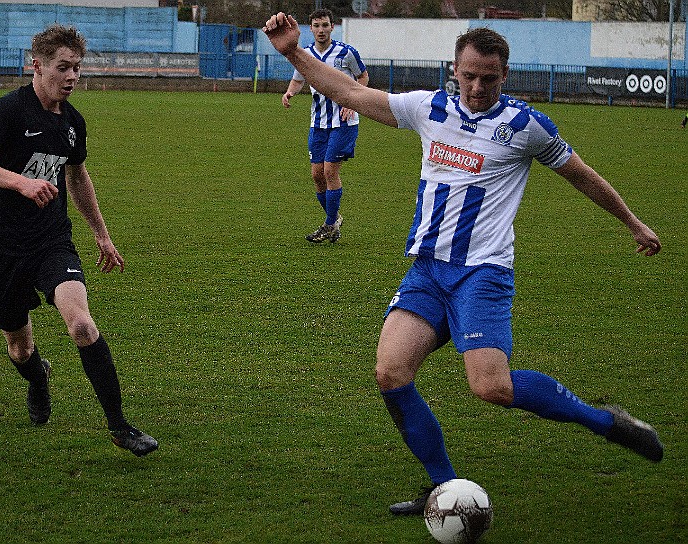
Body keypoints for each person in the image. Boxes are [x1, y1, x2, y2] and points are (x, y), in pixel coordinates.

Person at [264, 14, 664, 514]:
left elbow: (581, 175)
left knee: (491, 387)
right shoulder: (429, 107)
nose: (477, 87)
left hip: (483, 275)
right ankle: (444, 490)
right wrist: (292, 54)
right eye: (469, 75)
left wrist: (632, 222)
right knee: (391, 373)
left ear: (505, 75)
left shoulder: (526, 126)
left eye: (489, 78)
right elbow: (349, 94)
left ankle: (609, 423)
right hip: (429, 270)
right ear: (454, 69)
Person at [0, 24, 158, 457]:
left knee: (82, 324)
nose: (71, 77)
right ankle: (38, 378)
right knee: (19, 346)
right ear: (38, 66)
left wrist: (101, 235)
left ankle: (120, 427)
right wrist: (20, 183)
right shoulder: (8, 111)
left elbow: (78, 176)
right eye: (63, 67)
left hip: (51, 241)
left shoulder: (72, 123)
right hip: (0, 246)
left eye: (77, 68)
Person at [281, 8, 369, 243]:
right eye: (317, 26)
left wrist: (354, 102)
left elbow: (363, 77)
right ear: (310, 29)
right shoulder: (305, 55)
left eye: (325, 25)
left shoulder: (346, 53)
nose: (321, 30)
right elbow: (298, 79)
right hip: (318, 122)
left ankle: (329, 224)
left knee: (330, 171)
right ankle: (334, 219)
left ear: (332, 27)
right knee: (317, 175)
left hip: (344, 121)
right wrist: (290, 93)